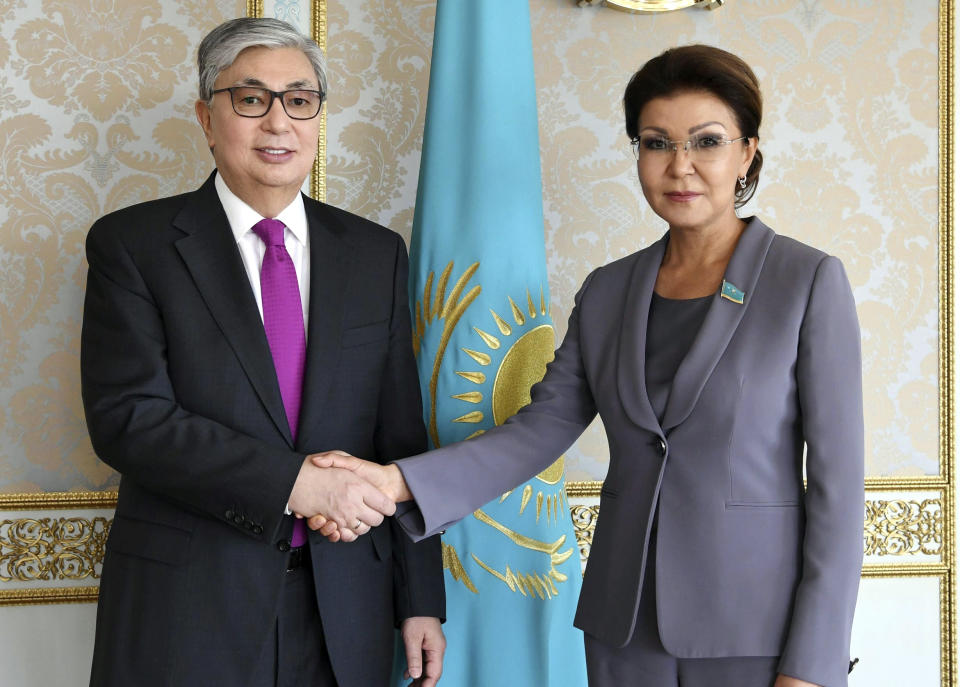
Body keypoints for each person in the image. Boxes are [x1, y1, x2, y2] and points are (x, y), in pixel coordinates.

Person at [310, 45, 864, 687]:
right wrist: (392, 483)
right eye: (656, 143)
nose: (680, 166)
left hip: (756, 631)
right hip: (622, 631)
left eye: (706, 142)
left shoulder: (807, 280)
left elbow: (837, 490)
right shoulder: (609, 291)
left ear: (747, 153)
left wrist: (814, 667)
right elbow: (538, 432)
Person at [80, 17, 444, 687]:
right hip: (188, 606)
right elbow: (129, 418)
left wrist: (420, 599)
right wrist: (297, 482)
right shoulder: (133, 246)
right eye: (251, 99)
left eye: (299, 100)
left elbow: (401, 435)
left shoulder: (373, 254)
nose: (278, 122)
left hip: (346, 606)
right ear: (207, 117)